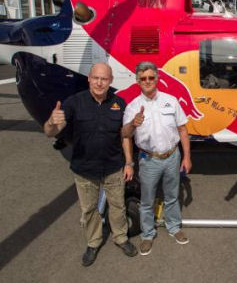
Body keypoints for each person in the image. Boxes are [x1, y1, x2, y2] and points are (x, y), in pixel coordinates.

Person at [43, 62, 137, 267]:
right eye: (96, 78)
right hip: (84, 169)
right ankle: (93, 242)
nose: (99, 83)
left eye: (104, 79)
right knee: (89, 209)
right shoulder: (74, 103)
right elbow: (51, 132)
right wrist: (52, 122)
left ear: (110, 81)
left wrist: (129, 162)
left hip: (113, 167)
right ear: (89, 79)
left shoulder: (119, 103)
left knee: (118, 205)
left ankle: (120, 237)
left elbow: (125, 136)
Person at [122, 61, 192, 256]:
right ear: (137, 81)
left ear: (157, 79)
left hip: (172, 157)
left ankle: (174, 227)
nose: (147, 81)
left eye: (151, 77)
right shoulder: (133, 107)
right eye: (143, 78)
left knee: (172, 196)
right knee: (147, 201)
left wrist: (186, 157)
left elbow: (183, 130)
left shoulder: (171, 101)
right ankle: (147, 235)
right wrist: (133, 124)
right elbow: (125, 135)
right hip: (148, 160)